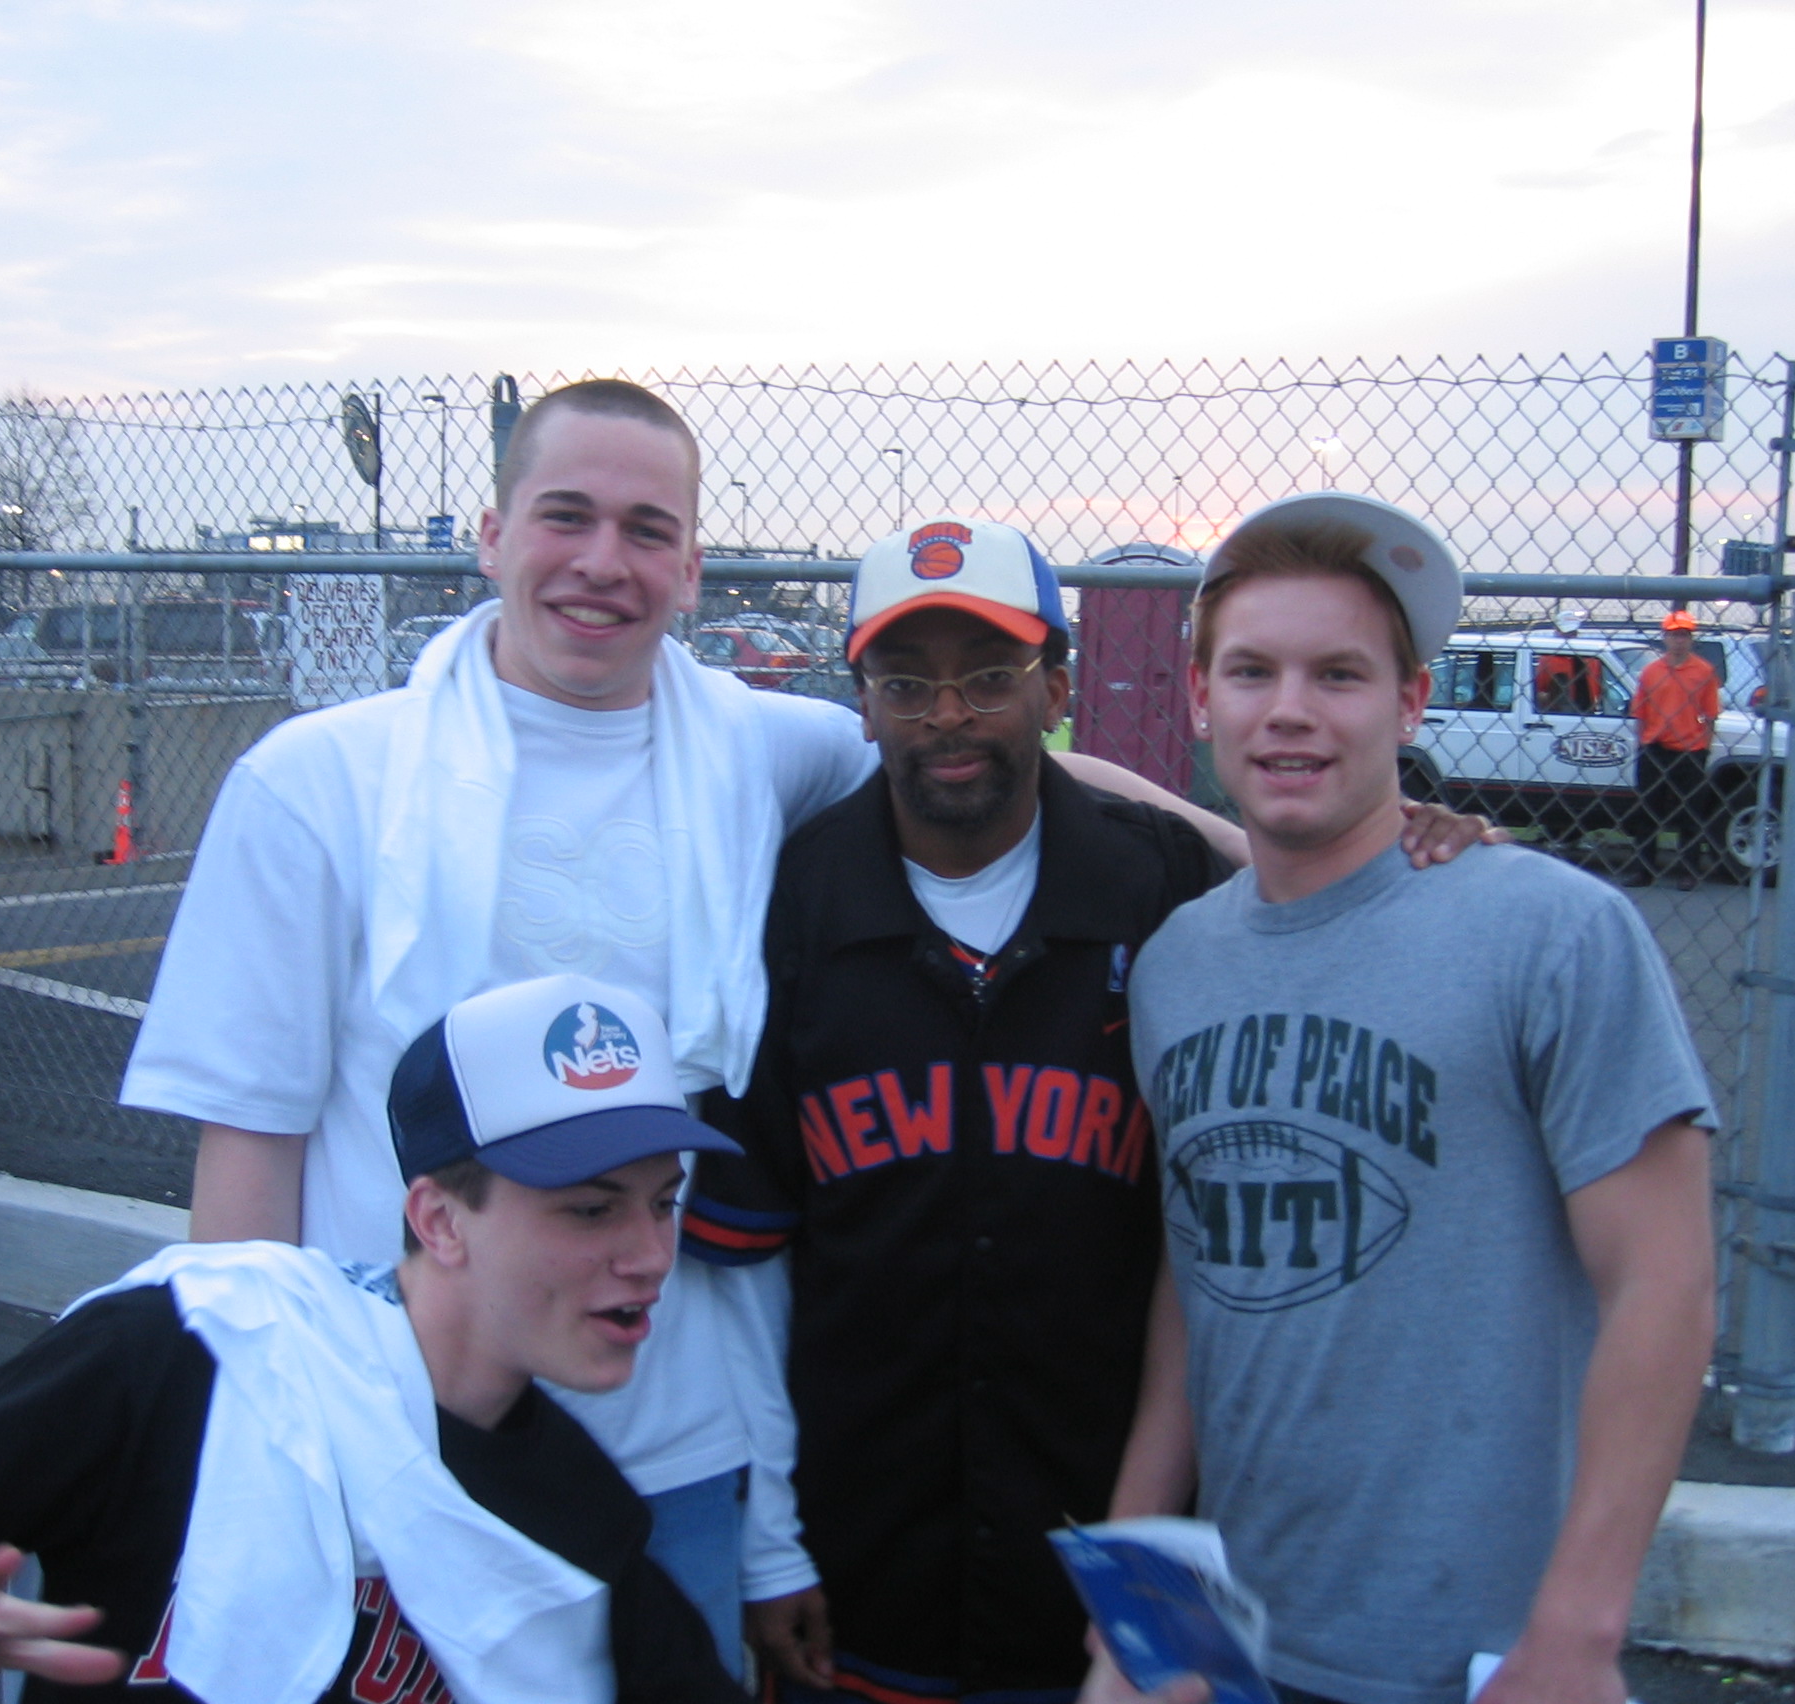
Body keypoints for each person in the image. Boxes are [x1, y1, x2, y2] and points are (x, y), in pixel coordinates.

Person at [119, 379, 1240, 1661]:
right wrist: (268, 1446)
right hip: (406, 1435)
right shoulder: (317, 781)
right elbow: (247, 1161)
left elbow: (1013, 763)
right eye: (565, 517)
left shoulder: (762, 750)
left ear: (692, 568)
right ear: (491, 537)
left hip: (674, 1456)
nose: (604, 563)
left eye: (647, 530)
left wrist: (1302, 849)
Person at [679, 516, 1497, 1704]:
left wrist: (1424, 838)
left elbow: (1334, 894)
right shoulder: (792, 907)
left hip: (1114, 1565)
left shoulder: (1166, 887)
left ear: (1056, 685)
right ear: (860, 703)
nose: (947, 715)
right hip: (860, 1556)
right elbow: (746, 1265)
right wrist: (768, 1545)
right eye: (905, 681)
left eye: (991, 677)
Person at [1105, 493, 1717, 1704]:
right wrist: (1132, 1608)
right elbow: (1200, 1276)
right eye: (1251, 671)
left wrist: (1577, 1633)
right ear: (1197, 701)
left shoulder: (1548, 930)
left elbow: (1665, 1281)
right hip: (1238, 1648)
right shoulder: (1173, 964)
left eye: (1339, 673)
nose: (1288, 709)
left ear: (1410, 702)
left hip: (1486, 1657)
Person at [0, 974, 750, 1704]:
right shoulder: (199, 1353)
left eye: (663, 1204)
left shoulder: (580, 1517)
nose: (648, 1255)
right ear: (439, 1220)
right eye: (588, 1212)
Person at [1627, 609, 1719, 891]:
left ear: (1691, 640)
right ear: (1664, 638)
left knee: (1690, 814)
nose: (1679, 641)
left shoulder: (1704, 672)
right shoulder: (1651, 671)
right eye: (1674, 635)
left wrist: (1703, 747)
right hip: (1654, 750)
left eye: (1684, 635)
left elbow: (1711, 714)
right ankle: (1644, 870)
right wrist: (1643, 743)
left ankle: (1689, 870)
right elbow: (1639, 712)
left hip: (1690, 751)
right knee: (1647, 813)